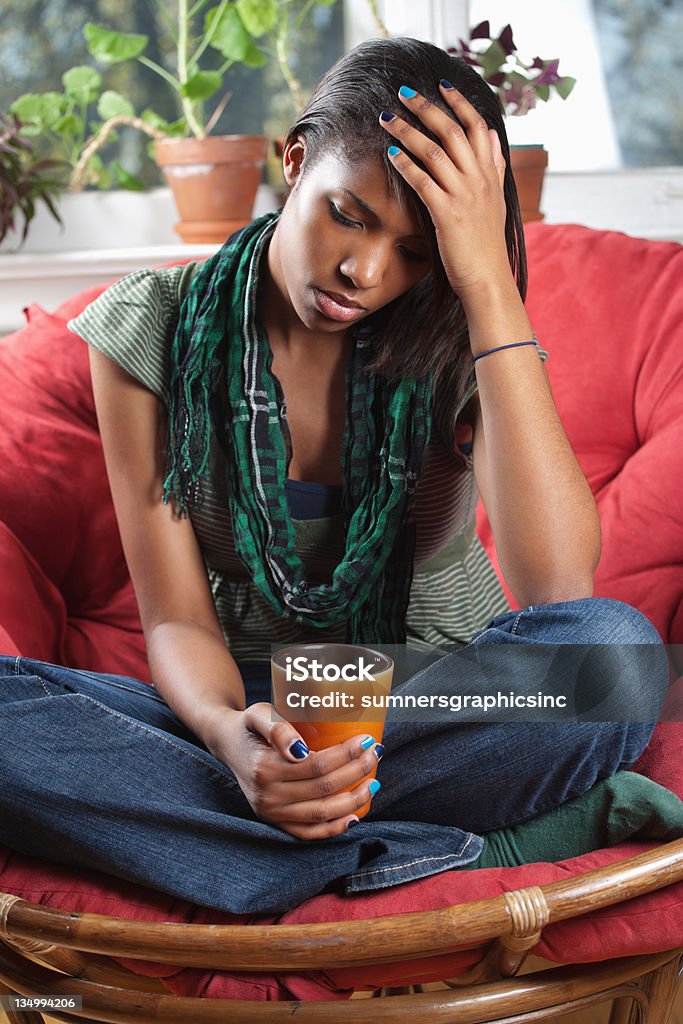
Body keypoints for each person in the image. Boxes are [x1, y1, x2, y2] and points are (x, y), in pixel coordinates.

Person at [0, 38, 667, 915]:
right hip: (247, 719)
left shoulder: (456, 327)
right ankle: (465, 847)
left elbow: (555, 585)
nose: (367, 273)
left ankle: (237, 851)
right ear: (294, 158)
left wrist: (483, 283)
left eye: (415, 251)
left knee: (610, 660)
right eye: (348, 215)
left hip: (441, 710)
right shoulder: (149, 330)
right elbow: (173, 618)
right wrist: (231, 743)